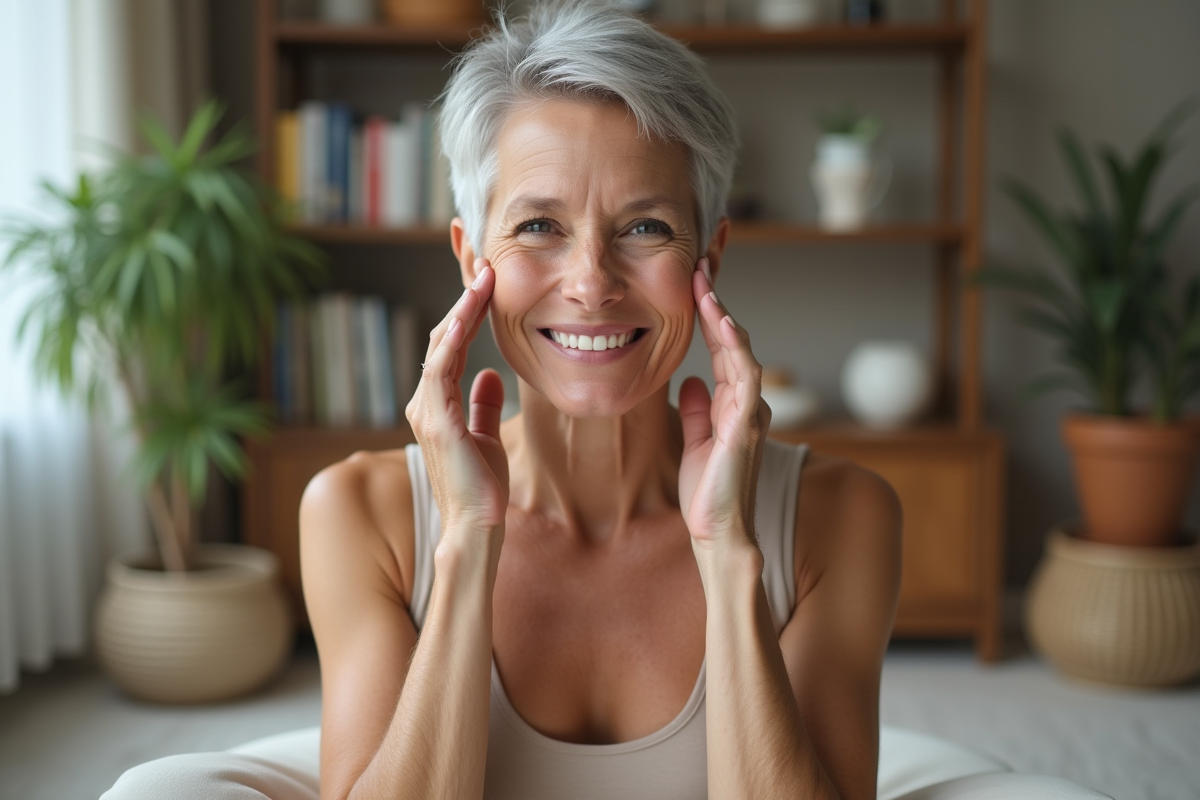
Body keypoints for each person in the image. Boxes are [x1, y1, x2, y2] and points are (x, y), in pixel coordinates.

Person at [103, 2, 901, 798]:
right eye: (540, 225)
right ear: (469, 256)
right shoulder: (358, 511)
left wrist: (729, 555)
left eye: (647, 228)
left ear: (711, 258)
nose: (590, 282)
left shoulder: (843, 516)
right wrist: (468, 542)